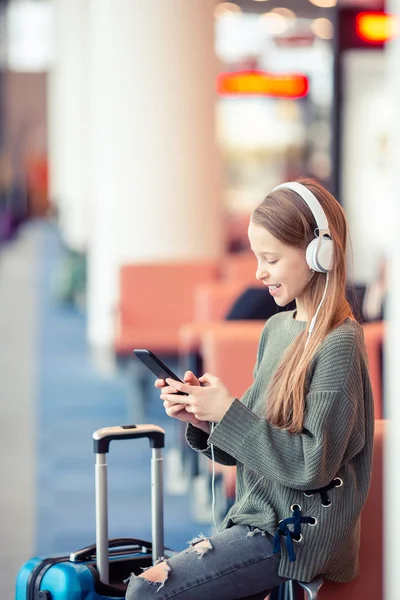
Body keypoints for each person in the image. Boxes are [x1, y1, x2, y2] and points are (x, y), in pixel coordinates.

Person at [125, 179, 374, 600]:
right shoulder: (277, 328)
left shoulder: (340, 343)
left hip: (295, 535)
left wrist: (229, 414)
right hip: (256, 518)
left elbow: (311, 466)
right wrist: (205, 419)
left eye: (271, 259)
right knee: (138, 584)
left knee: (146, 593)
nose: (259, 273)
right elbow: (259, 441)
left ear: (320, 252)